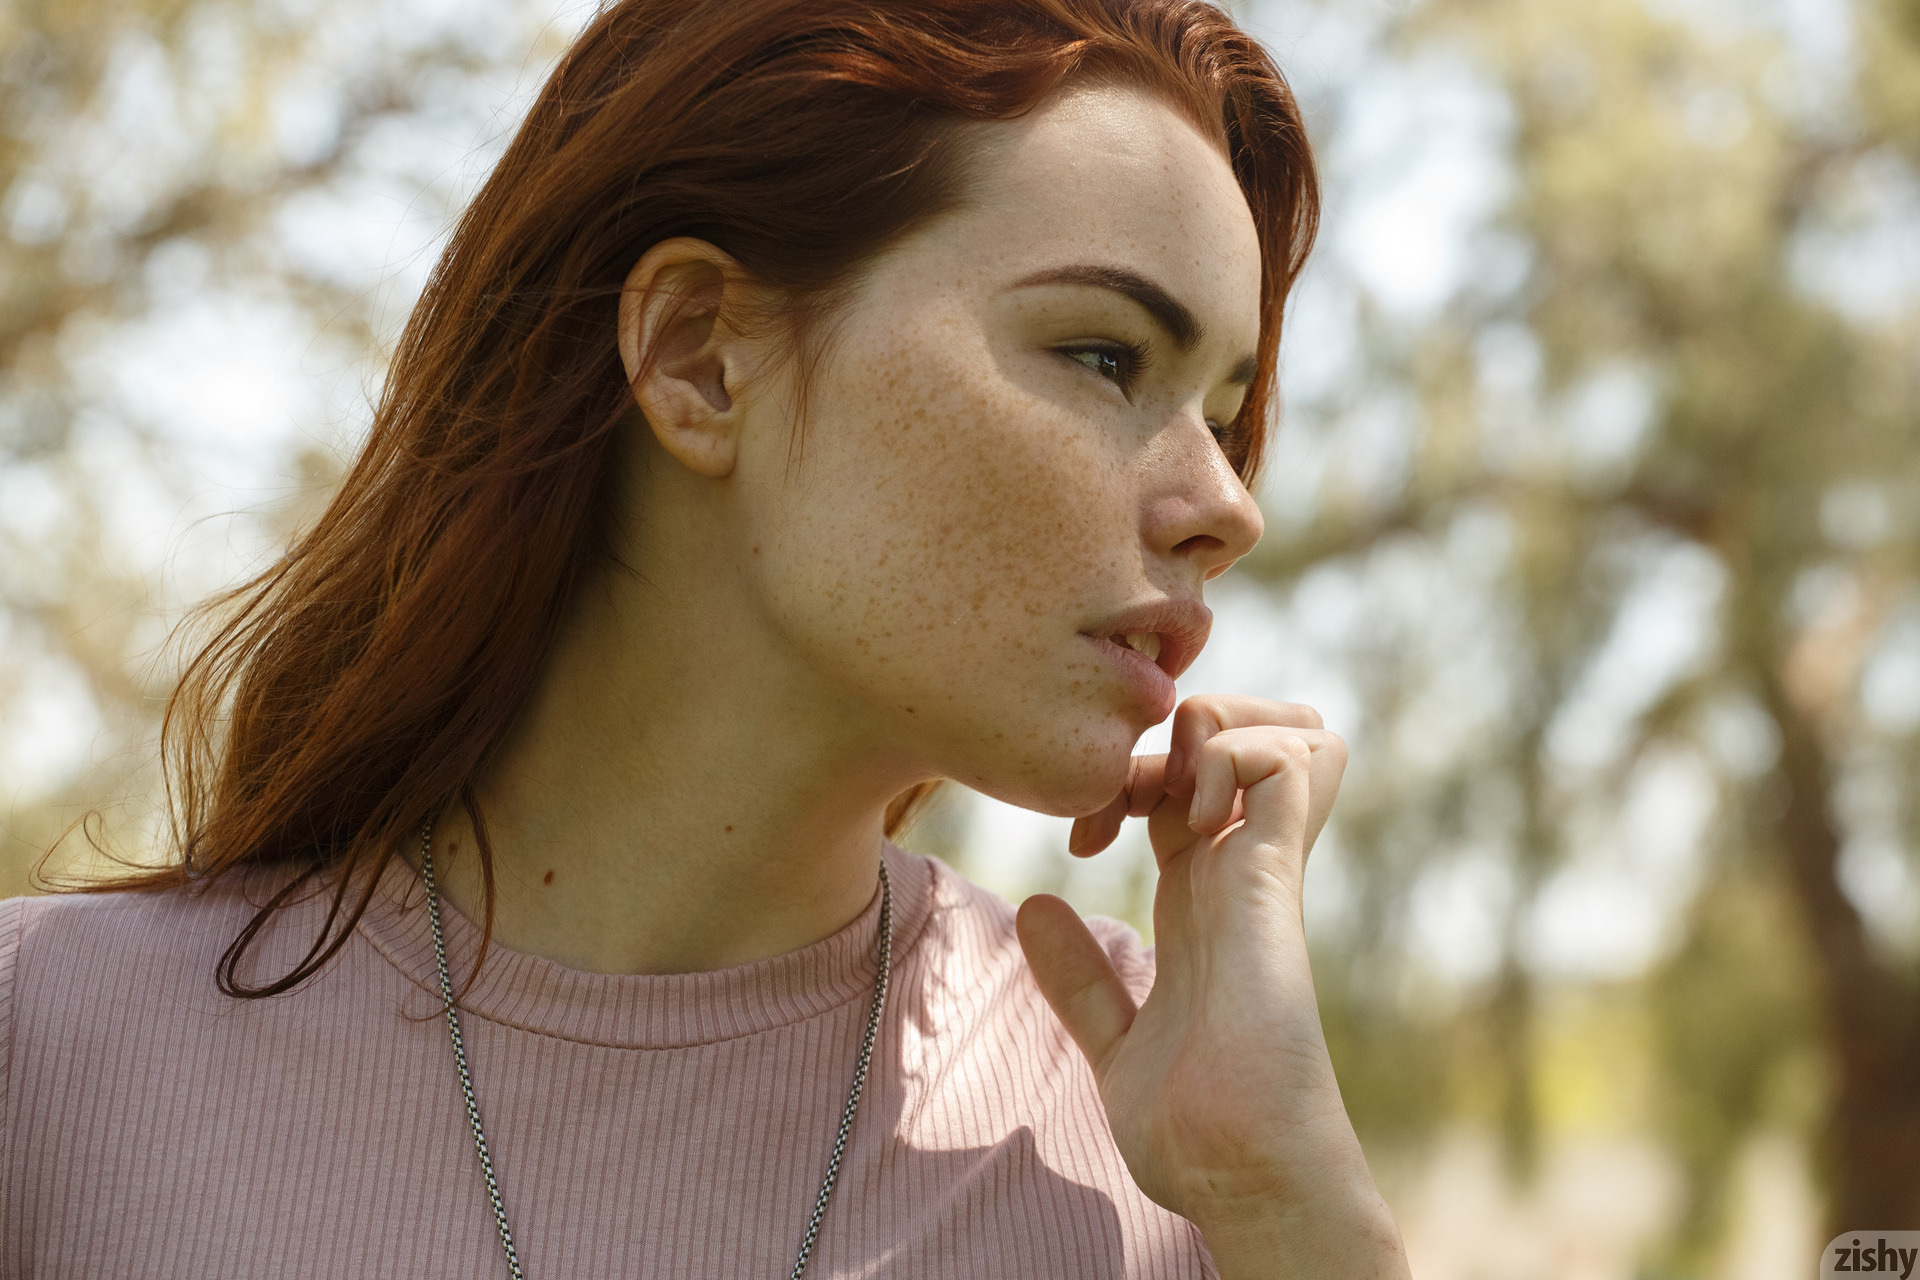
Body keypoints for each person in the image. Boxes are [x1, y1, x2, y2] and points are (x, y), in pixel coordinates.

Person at [0, 0, 1412, 1275]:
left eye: (1224, 415)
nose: (1231, 506)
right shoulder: (45, 1056)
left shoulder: (1166, 1132)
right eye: (1105, 355)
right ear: (697, 357)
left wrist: (1291, 1215)